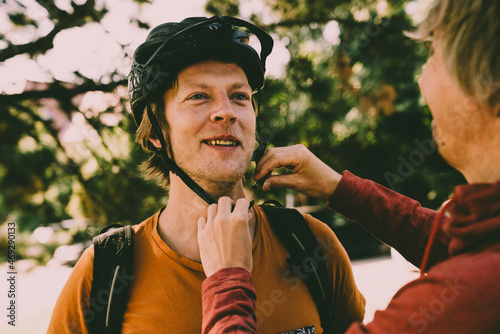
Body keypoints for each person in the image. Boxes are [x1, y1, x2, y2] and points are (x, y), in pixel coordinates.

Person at [47, 16, 365, 333]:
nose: (226, 110)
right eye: (199, 95)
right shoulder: (102, 273)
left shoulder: (312, 243)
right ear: (156, 131)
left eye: (240, 96)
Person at [197, 0, 500, 333]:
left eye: (433, 57)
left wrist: (226, 282)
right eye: (198, 96)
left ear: (489, 93)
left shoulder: (457, 304)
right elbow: (458, 246)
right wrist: (340, 189)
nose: (422, 80)